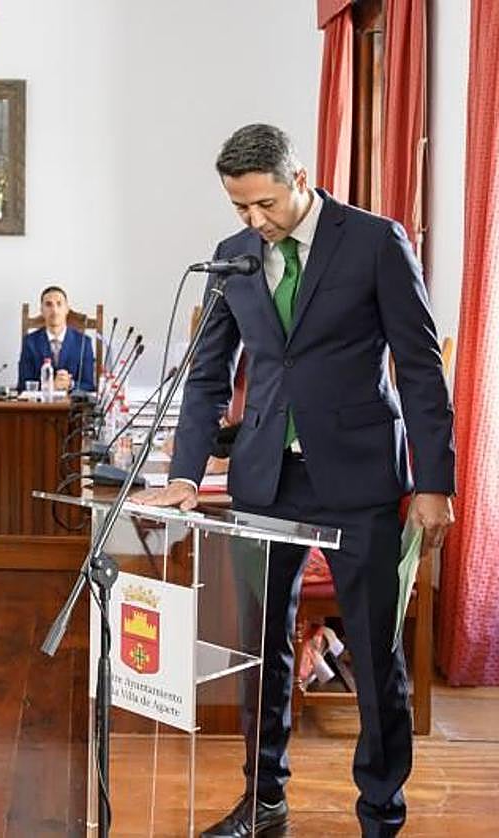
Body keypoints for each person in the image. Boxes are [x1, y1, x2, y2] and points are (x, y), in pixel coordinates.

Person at [134, 124, 455, 838]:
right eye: (240, 207)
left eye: (266, 204)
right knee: (262, 649)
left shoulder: (375, 241)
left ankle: (381, 814)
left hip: (360, 476)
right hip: (264, 481)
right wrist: (186, 474)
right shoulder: (233, 258)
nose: (255, 221)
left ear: (300, 179)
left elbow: (423, 366)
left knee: (375, 654)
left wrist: (435, 482)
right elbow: (207, 376)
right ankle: (263, 801)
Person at [17, 285, 96, 392]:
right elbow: (23, 385)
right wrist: (51, 385)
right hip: (40, 406)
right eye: (48, 305)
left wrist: (70, 384)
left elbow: (89, 385)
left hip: (72, 407)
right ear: (42, 310)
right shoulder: (30, 342)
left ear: (67, 309)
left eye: (59, 304)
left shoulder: (84, 342)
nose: (54, 310)